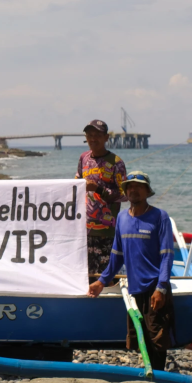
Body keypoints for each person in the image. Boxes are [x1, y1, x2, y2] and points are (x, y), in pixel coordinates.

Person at [87, 171, 174, 370]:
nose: (133, 190)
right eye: (130, 187)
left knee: (157, 338)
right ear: (125, 192)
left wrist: (161, 288)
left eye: (138, 186)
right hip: (135, 289)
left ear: (147, 191)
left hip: (154, 288)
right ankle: (149, 374)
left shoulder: (160, 217)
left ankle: (158, 379)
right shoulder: (122, 218)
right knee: (140, 336)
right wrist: (101, 281)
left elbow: (167, 255)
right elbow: (117, 256)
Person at [76, 119, 126, 277]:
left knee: (106, 277)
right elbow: (77, 182)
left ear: (106, 138)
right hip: (83, 230)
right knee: (85, 275)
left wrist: (98, 189)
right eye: (89, 135)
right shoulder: (83, 158)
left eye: (97, 135)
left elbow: (124, 195)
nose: (92, 139)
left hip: (107, 231)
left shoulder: (116, 163)